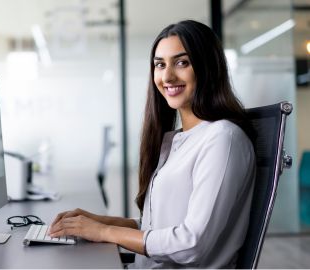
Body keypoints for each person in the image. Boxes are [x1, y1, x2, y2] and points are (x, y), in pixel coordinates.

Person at [49, 20, 256, 268]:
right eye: (160, 65)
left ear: (208, 67)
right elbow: (158, 229)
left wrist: (103, 233)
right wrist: (99, 222)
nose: (167, 76)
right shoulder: (179, 139)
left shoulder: (223, 138)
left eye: (182, 62)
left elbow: (191, 243)